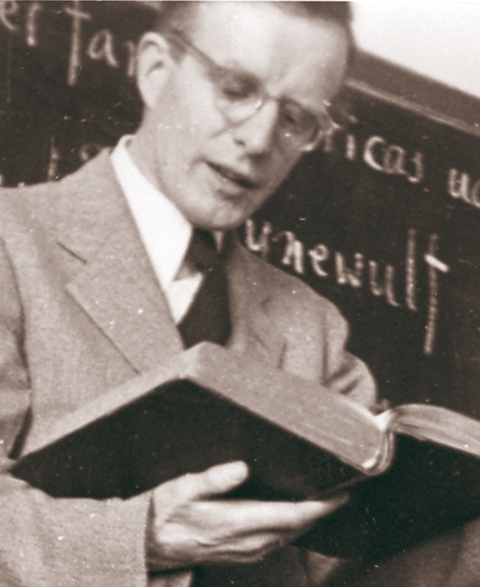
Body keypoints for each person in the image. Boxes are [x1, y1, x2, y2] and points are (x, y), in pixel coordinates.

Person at [0, 2, 377, 586]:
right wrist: (144, 539)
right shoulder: (12, 244)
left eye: (295, 118)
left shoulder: (314, 330)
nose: (258, 139)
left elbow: (358, 564)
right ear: (155, 70)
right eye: (236, 89)